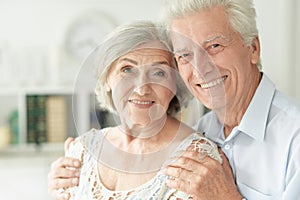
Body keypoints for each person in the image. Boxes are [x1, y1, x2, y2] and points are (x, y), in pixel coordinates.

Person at [49, 0, 300, 199]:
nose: (201, 68)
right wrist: (62, 183)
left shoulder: (294, 138)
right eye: (185, 55)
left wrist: (226, 198)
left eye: (214, 46)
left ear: (253, 48)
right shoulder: (206, 130)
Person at [48, 20, 223, 200]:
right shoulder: (83, 148)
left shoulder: (197, 159)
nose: (142, 89)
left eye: (158, 73)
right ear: (107, 78)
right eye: (127, 69)